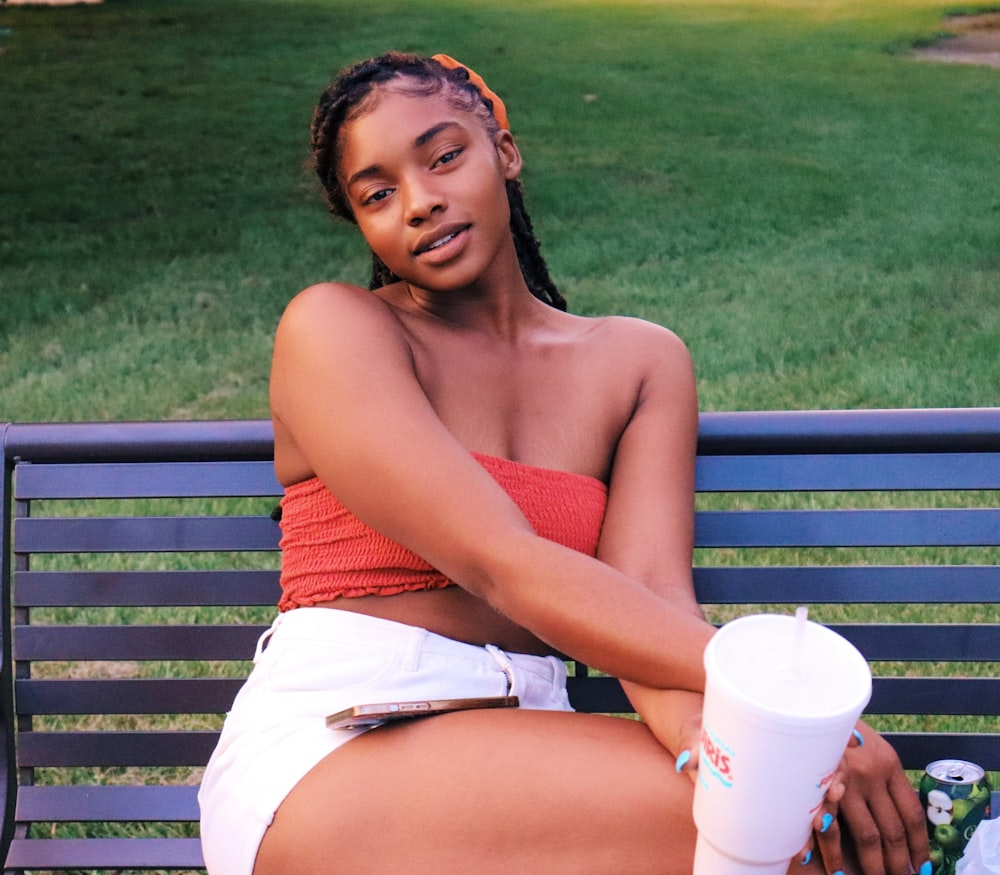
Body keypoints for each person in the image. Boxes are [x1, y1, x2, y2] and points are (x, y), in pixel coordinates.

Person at [198, 52, 930, 875]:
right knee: (784, 836)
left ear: (503, 151)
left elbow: (649, 601)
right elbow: (501, 561)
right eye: (377, 193)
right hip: (338, 739)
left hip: (531, 742)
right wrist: (791, 708)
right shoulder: (334, 330)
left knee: (788, 813)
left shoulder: (640, 362)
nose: (420, 201)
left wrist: (729, 737)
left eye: (444, 156)